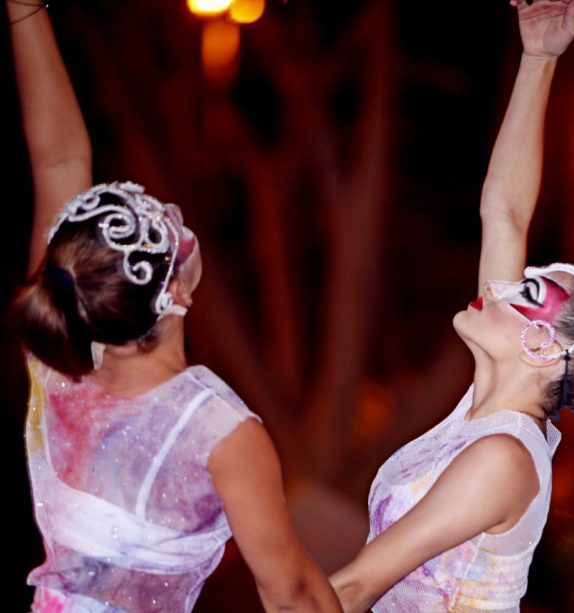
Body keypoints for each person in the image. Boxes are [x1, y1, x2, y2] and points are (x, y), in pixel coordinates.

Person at [330, 0, 574, 610]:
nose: (505, 286)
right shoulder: (487, 421)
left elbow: (353, 587)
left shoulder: (503, 457)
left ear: (545, 347)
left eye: (530, 294)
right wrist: (538, 57)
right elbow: (505, 212)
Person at [6, 3, 342, 611]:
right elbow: (293, 596)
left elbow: (57, 159)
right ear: (179, 293)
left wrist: (24, 8)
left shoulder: (57, 362)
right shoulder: (219, 432)